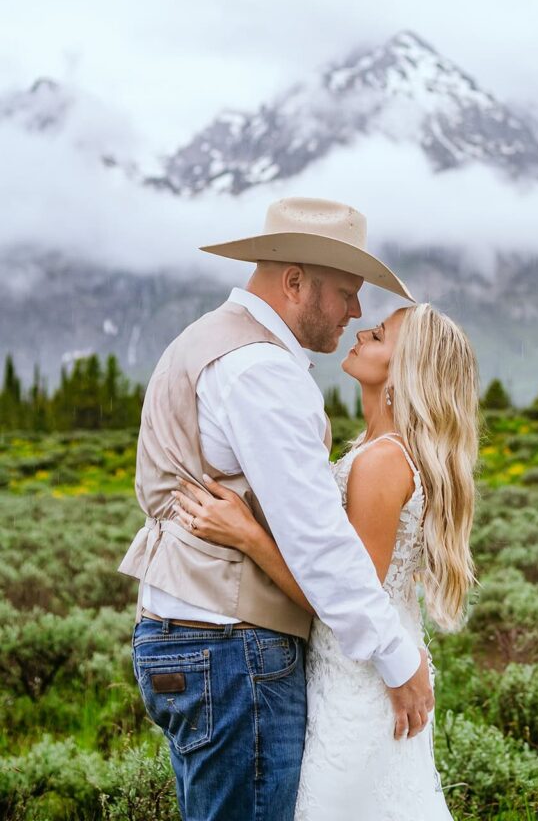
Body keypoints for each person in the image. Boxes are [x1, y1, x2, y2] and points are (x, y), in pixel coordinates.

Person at [118, 197, 434, 821]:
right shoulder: (260, 369)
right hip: (233, 650)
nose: (356, 310)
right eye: (346, 292)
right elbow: (319, 542)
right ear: (295, 281)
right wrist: (398, 661)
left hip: (195, 638)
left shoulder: (213, 342)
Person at [173, 300, 479, 820]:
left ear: (403, 372)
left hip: (353, 679)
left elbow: (340, 599)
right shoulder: (377, 449)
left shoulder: (381, 461)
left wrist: (247, 535)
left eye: (379, 336)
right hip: (362, 668)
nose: (361, 333)